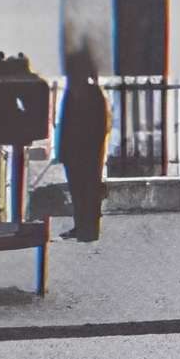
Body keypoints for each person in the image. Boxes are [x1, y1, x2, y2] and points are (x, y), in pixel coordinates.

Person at [56, 60, 109, 245]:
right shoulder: (70, 94)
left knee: (89, 189)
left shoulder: (94, 94)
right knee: (77, 190)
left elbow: (101, 125)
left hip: (88, 151)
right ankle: (81, 226)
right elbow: (64, 124)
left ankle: (90, 229)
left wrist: (93, 147)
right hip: (74, 152)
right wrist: (61, 152)